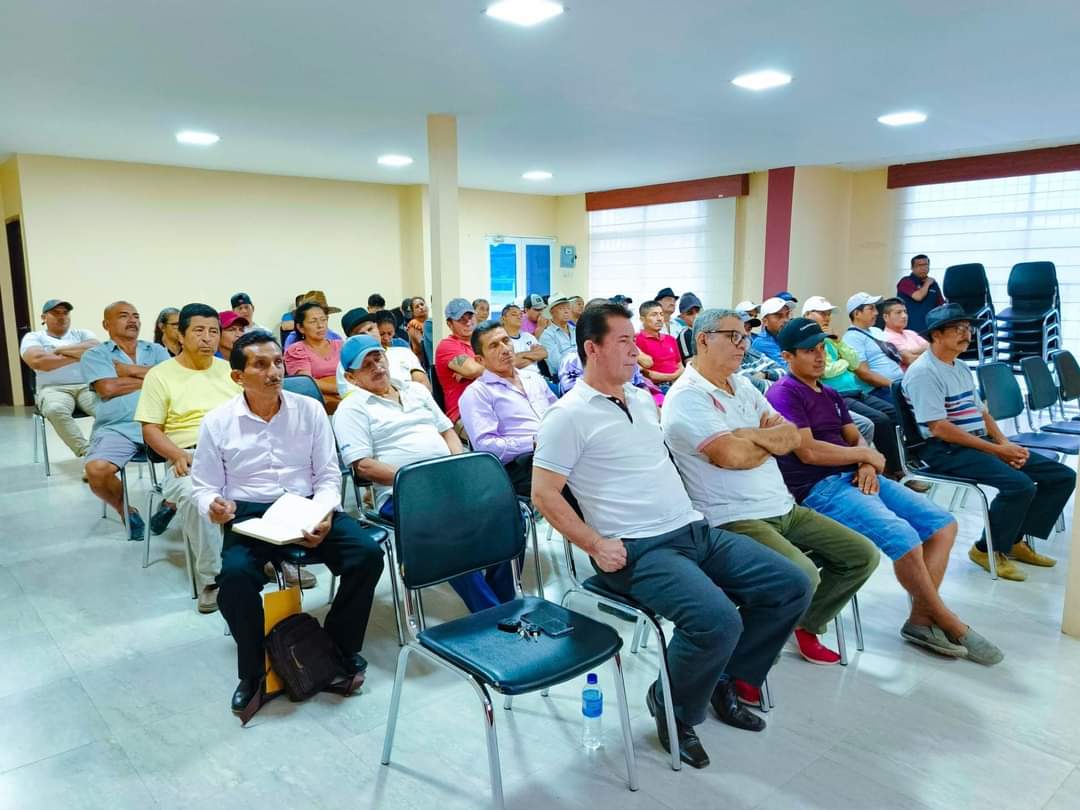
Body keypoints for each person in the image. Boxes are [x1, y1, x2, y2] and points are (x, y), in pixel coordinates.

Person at [532, 302, 812, 768]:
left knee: (791, 585)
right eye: (624, 341)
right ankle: (673, 706)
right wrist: (595, 545)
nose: (635, 350)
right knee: (717, 621)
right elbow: (544, 494)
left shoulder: (642, 399)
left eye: (633, 339)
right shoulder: (567, 416)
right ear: (592, 349)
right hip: (638, 550)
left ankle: (721, 678)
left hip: (691, 529)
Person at [766, 317, 1002, 666]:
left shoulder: (829, 393)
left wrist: (865, 462)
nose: (819, 356)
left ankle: (920, 620)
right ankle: (947, 620)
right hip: (819, 488)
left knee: (942, 524)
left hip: (855, 476)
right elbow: (809, 452)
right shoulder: (783, 393)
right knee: (903, 536)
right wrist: (864, 457)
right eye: (808, 351)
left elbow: (854, 437)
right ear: (787, 356)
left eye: (821, 349)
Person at [662, 309, 879, 666]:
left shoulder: (742, 385)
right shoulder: (688, 396)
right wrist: (767, 440)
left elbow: (792, 436)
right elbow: (731, 456)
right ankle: (746, 654)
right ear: (703, 339)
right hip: (734, 517)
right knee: (802, 575)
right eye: (733, 336)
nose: (743, 345)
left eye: (745, 337)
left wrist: (748, 434)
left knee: (862, 555)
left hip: (783, 506)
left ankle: (803, 622)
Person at [193, 331, 384, 715]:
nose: (274, 372)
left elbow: (328, 475)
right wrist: (212, 504)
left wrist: (323, 513)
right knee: (235, 578)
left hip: (306, 505)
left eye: (278, 362)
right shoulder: (218, 422)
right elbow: (204, 485)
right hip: (251, 513)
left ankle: (337, 647)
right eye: (260, 365)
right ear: (238, 376)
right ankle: (253, 672)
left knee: (366, 555)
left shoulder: (309, 410)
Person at [335, 335, 511, 612]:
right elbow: (363, 466)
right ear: (351, 377)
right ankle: (491, 613)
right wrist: (417, 480)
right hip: (403, 494)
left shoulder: (416, 390)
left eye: (378, 358)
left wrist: (459, 464)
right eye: (366, 365)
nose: (377, 367)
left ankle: (507, 603)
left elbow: (448, 431)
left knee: (503, 515)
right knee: (449, 533)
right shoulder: (351, 408)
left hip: (450, 482)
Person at [903, 303, 1075, 580]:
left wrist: (1005, 443)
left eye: (968, 328)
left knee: (1061, 476)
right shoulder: (924, 372)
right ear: (936, 335)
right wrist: (997, 450)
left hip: (976, 442)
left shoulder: (960, 366)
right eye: (957, 329)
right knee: (1019, 485)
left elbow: (982, 413)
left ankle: (1014, 541)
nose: (966, 333)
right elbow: (939, 428)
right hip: (944, 450)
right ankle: (986, 550)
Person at [134, 304, 242, 613]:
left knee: (275, 479)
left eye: (213, 331)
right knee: (198, 498)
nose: (207, 338)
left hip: (235, 452)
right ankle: (212, 578)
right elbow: (150, 429)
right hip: (189, 455)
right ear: (180, 335)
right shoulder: (160, 375)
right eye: (198, 331)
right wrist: (176, 454)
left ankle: (270, 556)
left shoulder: (229, 371)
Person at [81, 301, 171, 539]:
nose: (132, 320)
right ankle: (125, 510)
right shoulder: (95, 354)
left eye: (136, 316)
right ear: (106, 324)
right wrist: (151, 377)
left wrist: (127, 371)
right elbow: (107, 388)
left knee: (206, 456)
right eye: (124, 316)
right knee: (97, 471)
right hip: (119, 428)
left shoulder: (156, 350)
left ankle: (171, 504)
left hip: (164, 425)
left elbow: (171, 381)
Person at [802, 296, 906, 480]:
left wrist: (838, 343)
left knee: (894, 412)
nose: (827, 317)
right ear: (808, 315)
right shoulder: (807, 342)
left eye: (828, 313)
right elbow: (826, 371)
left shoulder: (830, 339)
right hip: (838, 395)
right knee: (880, 420)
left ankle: (903, 462)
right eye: (822, 313)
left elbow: (854, 362)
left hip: (855, 391)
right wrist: (845, 363)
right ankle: (893, 470)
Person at [459, 321, 555, 497]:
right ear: (480, 360)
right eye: (494, 346)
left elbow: (558, 414)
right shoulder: (477, 393)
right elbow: (486, 447)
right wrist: (533, 442)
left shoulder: (534, 379)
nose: (505, 349)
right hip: (521, 466)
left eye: (506, 340)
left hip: (555, 452)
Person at [20, 299, 99, 458]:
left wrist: (58, 351)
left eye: (65, 313)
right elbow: (40, 362)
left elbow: (97, 349)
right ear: (43, 317)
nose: (62, 316)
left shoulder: (82, 334)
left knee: (109, 409)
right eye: (55, 313)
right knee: (55, 410)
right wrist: (79, 355)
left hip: (86, 386)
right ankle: (88, 452)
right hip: (52, 388)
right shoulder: (34, 337)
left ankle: (104, 448)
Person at [337, 308, 430, 394]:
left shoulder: (404, 353)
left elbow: (423, 385)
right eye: (361, 334)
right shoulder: (347, 367)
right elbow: (355, 398)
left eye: (370, 329)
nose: (368, 335)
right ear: (351, 339)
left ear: (377, 327)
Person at [283, 301, 344, 413]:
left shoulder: (341, 345)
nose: (320, 325)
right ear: (301, 327)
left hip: (347, 397)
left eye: (323, 320)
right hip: (318, 403)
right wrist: (341, 389)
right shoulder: (296, 350)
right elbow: (306, 382)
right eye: (313, 321)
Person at [434, 298, 484, 432]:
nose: (468, 322)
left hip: (491, 403)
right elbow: (472, 370)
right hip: (463, 413)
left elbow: (507, 362)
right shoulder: (446, 346)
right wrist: (493, 366)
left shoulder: (482, 342)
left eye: (470, 317)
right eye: (461, 319)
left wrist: (479, 371)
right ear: (449, 324)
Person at [844, 292, 904, 404]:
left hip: (900, 382)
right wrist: (894, 385)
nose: (876, 313)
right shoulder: (852, 338)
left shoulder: (876, 331)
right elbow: (863, 373)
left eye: (875, 308)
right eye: (871, 309)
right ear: (857, 313)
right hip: (880, 390)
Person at [635, 300, 684, 391]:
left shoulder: (671, 339)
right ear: (642, 319)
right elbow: (643, 373)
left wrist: (676, 377)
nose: (659, 318)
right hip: (655, 388)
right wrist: (672, 377)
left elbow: (679, 364)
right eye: (654, 315)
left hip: (678, 384)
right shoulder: (636, 340)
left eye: (661, 314)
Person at [896, 254, 946, 334]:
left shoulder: (933, 284)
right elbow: (918, 297)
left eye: (925, 265)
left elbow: (941, 307)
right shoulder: (906, 281)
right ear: (912, 268)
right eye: (919, 265)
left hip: (931, 329)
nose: (923, 268)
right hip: (910, 331)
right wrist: (927, 283)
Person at [499, 303, 548, 376]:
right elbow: (510, 364)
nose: (519, 317)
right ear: (503, 319)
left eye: (520, 315)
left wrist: (519, 355)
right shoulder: (500, 340)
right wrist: (533, 356)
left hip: (537, 377)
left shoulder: (528, 336)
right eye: (514, 314)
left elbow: (544, 353)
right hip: (516, 378)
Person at [881, 297, 930, 370]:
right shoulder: (886, 337)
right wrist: (926, 351)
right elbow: (910, 359)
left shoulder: (911, 333)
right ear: (886, 317)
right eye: (898, 312)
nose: (904, 316)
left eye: (905, 312)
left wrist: (910, 351)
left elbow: (932, 347)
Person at [539, 294, 577, 372]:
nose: (566, 311)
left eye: (568, 308)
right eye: (561, 308)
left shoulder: (576, 330)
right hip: (563, 374)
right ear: (552, 312)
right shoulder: (547, 335)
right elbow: (557, 364)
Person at [750, 297, 790, 367]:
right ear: (765, 321)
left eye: (787, 315)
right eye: (779, 316)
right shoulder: (761, 343)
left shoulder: (786, 337)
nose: (786, 320)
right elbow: (789, 368)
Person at [675, 293, 703, 361]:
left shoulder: (708, 331)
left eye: (697, 311)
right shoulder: (685, 335)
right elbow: (689, 362)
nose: (696, 316)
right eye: (690, 313)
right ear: (682, 317)